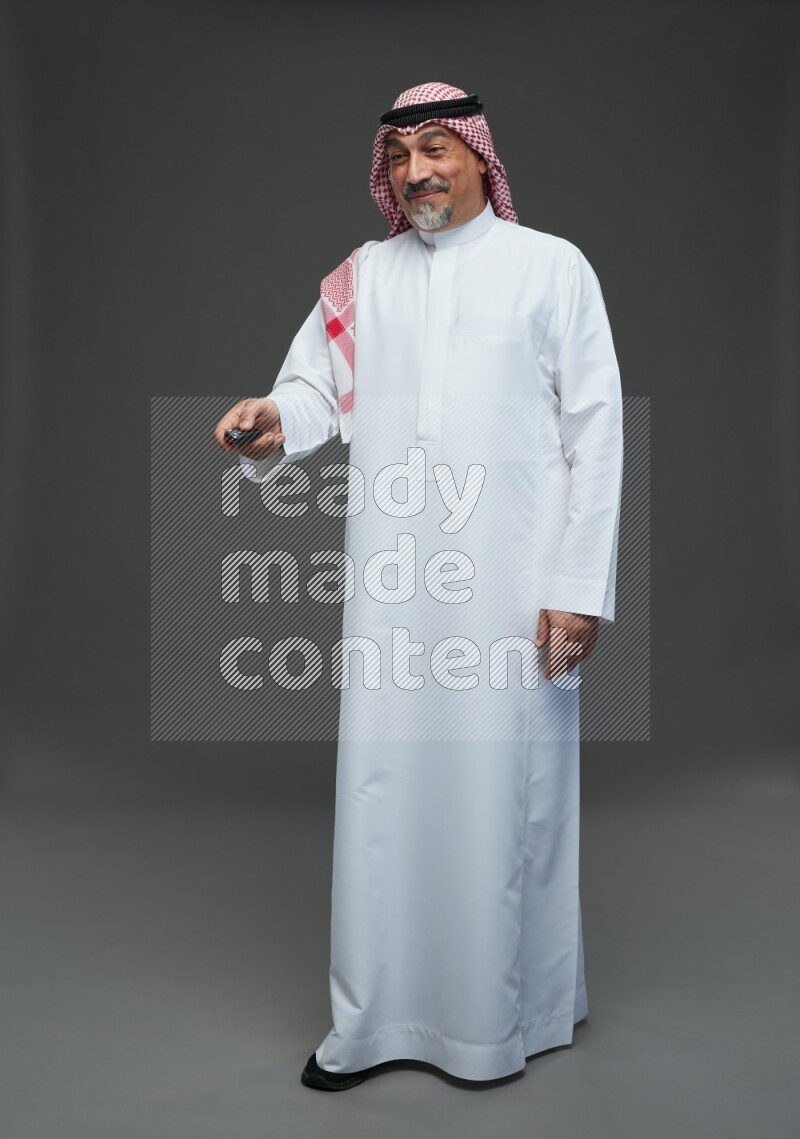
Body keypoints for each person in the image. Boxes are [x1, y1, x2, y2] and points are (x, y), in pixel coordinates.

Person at [213, 81, 623, 1091]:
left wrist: (577, 588)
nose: (418, 171)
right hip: (397, 590)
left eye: (437, 149)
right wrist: (273, 421)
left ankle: (497, 1021)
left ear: (481, 157)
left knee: (504, 799)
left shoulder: (550, 269)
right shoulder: (363, 278)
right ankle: (372, 1019)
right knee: (385, 791)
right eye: (400, 157)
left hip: (515, 591)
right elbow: (314, 388)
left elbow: (595, 431)